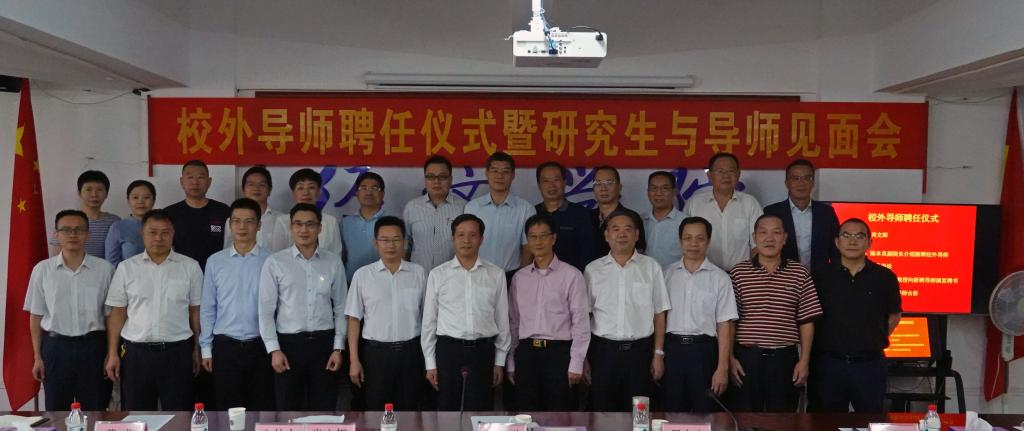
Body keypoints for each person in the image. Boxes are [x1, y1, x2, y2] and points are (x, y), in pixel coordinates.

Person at [104, 209, 203, 411]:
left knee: (179, 415)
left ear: (173, 234)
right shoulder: (126, 268)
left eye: (165, 233)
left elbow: (196, 311)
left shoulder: (190, 267)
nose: (158, 238)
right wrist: (112, 353)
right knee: (136, 415)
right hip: (136, 354)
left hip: (177, 353)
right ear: (142, 233)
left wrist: (197, 349)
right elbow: (117, 313)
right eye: (153, 232)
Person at [728, 214, 822, 412]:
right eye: (763, 232)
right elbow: (729, 322)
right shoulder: (738, 273)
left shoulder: (799, 273)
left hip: (784, 359)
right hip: (747, 359)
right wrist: (730, 358)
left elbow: (807, 321)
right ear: (754, 237)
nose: (769, 238)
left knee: (783, 419)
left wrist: (804, 361)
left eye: (776, 233)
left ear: (785, 238)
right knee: (746, 418)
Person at [259, 203, 348, 411]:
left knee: (324, 409)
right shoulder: (275, 262)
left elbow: (340, 308)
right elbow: (265, 311)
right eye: (298, 224)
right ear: (291, 228)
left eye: (310, 224)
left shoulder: (333, 262)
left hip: (324, 345)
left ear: (320, 228)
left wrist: (338, 348)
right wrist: (274, 350)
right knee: (289, 410)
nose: (304, 230)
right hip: (288, 345)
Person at [25, 210, 114, 410]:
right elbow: (35, 316)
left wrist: (111, 352)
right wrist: (37, 357)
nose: (73, 235)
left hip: (94, 348)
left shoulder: (105, 269)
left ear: (88, 234)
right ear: (56, 234)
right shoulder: (42, 270)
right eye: (66, 230)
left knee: (96, 410)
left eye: (79, 230)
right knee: (57, 412)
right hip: (56, 349)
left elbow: (111, 316)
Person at [421, 214, 511, 411]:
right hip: (448, 352)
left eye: (472, 235)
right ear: (453, 238)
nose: (466, 240)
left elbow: (502, 320)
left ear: (481, 239)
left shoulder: (496, 274)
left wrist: (499, 361)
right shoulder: (438, 274)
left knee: (481, 411)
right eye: (461, 235)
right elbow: (429, 322)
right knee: (448, 412)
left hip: (483, 352)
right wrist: (430, 363)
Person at [811, 218, 901, 413]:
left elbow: (894, 315)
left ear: (869, 243)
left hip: (869, 365)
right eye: (846, 235)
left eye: (859, 236)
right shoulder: (820, 276)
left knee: (870, 421)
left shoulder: (885, 277)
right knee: (825, 422)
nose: (852, 241)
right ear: (837, 242)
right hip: (829, 364)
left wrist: (873, 338)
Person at [585, 210, 669, 412]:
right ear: (606, 235)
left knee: (639, 414)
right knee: (602, 413)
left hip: (640, 354)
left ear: (637, 235)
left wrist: (658, 354)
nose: (622, 234)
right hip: (603, 353)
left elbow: (659, 314)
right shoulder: (592, 270)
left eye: (627, 229)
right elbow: (584, 316)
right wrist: (584, 358)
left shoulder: (651, 267)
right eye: (615, 229)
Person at [507, 214, 591, 411]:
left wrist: (576, 362)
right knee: (526, 413)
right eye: (533, 236)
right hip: (527, 354)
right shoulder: (519, 278)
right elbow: (513, 323)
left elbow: (580, 322)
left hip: (559, 354)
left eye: (543, 235)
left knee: (560, 414)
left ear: (553, 238)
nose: (538, 241)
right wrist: (511, 361)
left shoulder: (572, 275)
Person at [345, 216, 427, 411]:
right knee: (375, 410)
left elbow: (428, 317)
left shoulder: (419, 273)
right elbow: (354, 320)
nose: (391, 245)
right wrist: (354, 360)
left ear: (404, 242)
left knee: (410, 410)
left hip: (411, 353)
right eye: (385, 240)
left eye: (396, 239)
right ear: (376, 243)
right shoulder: (362, 275)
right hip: (375, 355)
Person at [200, 198, 275, 410]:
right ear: (229, 225)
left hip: (261, 345)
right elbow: (208, 308)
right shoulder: (215, 261)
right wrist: (206, 348)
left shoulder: (271, 261)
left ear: (259, 225)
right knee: (227, 409)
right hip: (225, 347)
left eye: (249, 221)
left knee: (261, 408)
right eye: (236, 221)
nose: (242, 227)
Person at [662, 216, 737, 412]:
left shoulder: (720, 278)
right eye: (688, 238)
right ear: (680, 241)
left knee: (705, 413)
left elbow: (724, 325)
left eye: (700, 238)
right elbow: (659, 318)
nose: (693, 244)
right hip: (672, 351)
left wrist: (722, 367)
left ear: (708, 241)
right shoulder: (666, 275)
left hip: (704, 352)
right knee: (672, 412)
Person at [682, 153, 762, 271]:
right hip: (703, 273)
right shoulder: (694, 203)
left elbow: (759, 244)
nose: (726, 176)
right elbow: (685, 241)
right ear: (709, 175)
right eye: (720, 171)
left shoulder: (750, 203)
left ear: (738, 174)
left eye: (731, 171)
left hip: (741, 275)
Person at [465, 152, 536, 275]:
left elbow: (527, 249)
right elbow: (466, 244)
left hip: (511, 275)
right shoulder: (472, 207)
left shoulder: (525, 209)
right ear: (487, 173)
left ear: (513, 175)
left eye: (505, 171)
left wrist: (522, 277)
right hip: (478, 274)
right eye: (495, 171)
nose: (500, 176)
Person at [763, 159, 840, 272]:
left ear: (813, 183)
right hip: (783, 276)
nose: (801, 183)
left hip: (821, 278)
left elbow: (836, 249)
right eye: (795, 178)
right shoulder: (772, 212)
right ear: (786, 183)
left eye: (806, 178)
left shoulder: (826, 213)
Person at [403, 155, 466, 272]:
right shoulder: (412, 207)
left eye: (442, 177)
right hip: (418, 275)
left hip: (452, 276)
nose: (436, 181)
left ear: (451, 179)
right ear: (425, 179)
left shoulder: (463, 207)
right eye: (431, 177)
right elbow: (405, 244)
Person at [164, 160, 231, 270]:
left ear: (209, 182)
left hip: (217, 272)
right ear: (181, 182)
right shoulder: (169, 213)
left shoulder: (223, 211)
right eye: (190, 177)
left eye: (200, 177)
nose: (195, 182)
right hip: (181, 273)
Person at [534, 161, 598, 272]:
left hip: (572, 278)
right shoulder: (532, 213)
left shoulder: (582, 215)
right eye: (546, 181)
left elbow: (588, 254)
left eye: (556, 180)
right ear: (539, 185)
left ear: (564, 182)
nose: (551, 185)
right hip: (538, 277)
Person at [272, 169, 344, 257]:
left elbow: (336, 255)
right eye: (300, 188)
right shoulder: (282, 221)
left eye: (311, 187)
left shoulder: (331, 221)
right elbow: (277, 255)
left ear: (319, 192)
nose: (306, 193)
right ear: (293, 193)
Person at [51, 170, 121, 258]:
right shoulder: (68, 220)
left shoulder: (115, 221)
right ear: (79, 193)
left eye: (99, 190)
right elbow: (57, 255)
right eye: (88, 189)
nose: (94, 194)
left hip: (106, 267)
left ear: (106, 194)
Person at [225, 165, 287, 252]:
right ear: (243, 189)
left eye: (262, 185)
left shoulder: (282, 219)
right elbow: (227, 250)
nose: (256, 188)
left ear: (270, 190)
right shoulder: (233, 220)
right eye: (251, 184)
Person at [342, 171, 389, 282]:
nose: (369, 192)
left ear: (382, 194)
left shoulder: (391, 222)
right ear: (357, 193)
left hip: (384, 282)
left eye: (374, 188)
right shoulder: (345, 223)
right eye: (363, 188)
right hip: (351, 283)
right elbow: (341, 256)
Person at [591, 166, 646, 258]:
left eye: (609, 183)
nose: (603, 188)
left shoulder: (631, 217)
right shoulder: (586, 217)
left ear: (619, 187)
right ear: (593, 188)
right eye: (598, 183)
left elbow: (639, 252)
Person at [105, 180, 155, 267]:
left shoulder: (163, 226)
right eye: (135, 197)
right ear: (128, 200)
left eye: (146, 197)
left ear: (154, 200)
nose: (140, 201)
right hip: (128, 275)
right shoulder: (118, 227)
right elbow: (112, 263)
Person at [643, 171, 685, 267]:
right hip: (644, 275)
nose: (659, 193)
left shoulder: (685, 223)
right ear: (648, 192)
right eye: (654, 188)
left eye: (665, 188)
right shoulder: (639, 221)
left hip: (675, 275)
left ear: (674, 191)